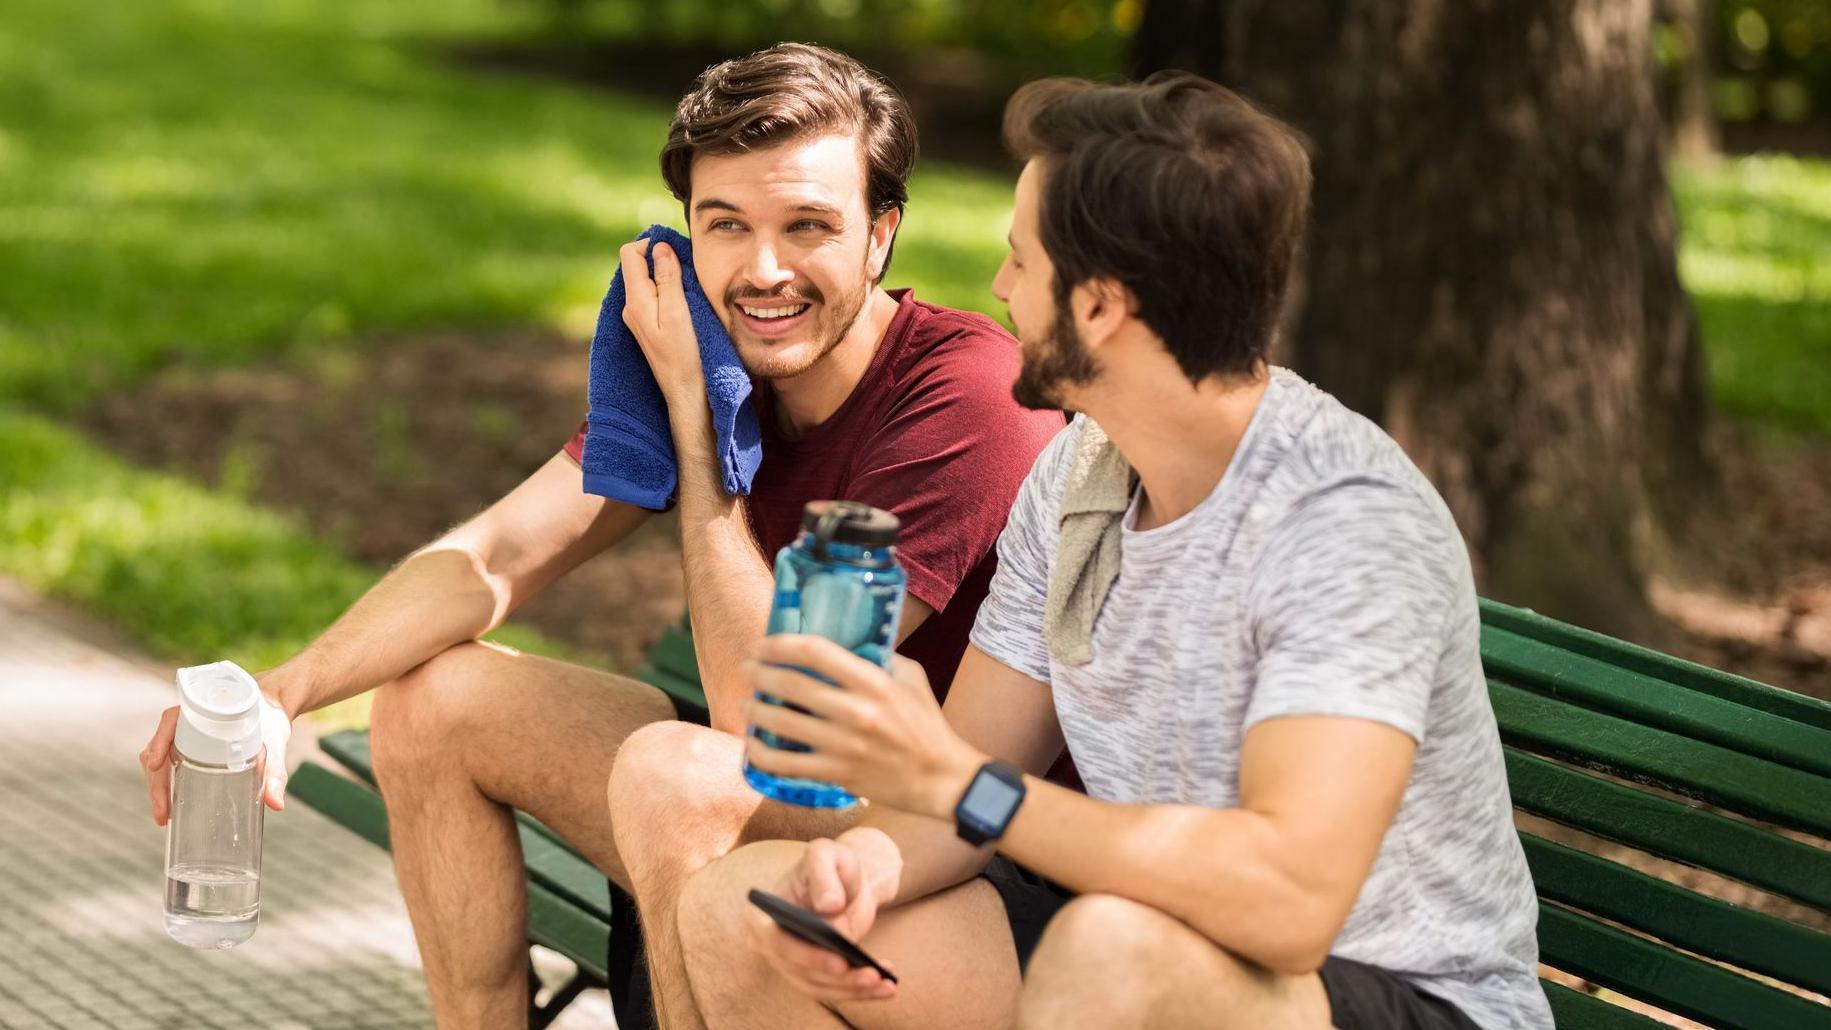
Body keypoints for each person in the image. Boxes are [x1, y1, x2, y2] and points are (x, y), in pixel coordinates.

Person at [137, 43, 1064, 1029]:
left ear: (880, 235)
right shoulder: (706, 351)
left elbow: (768, 725)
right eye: (726, 226)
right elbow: (494, 555)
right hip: (781, 791)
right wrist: (284, 694)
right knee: (432, 699)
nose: (762, 269)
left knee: (678, 772)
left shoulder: (963, 394)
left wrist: (701, 454)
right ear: (686, 232)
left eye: (807, 227)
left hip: (948, 841)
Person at [664, 74, 1556, 1030]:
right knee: (748, 908)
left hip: (1390, 995)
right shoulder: (1081, 473)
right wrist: (866, 866)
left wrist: (958, 785)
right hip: (1146, 947)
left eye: (1020, 262)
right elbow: (969, 775)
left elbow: (1290, 908)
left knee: (1111, 951)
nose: (1000, 289)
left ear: (1098, 309)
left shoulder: (1343, 523)